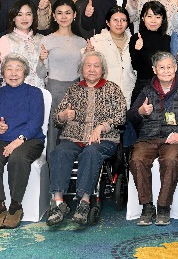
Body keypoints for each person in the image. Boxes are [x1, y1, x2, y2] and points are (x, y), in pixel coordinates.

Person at [47, 51, 127, 226]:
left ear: (102, 69)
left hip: (104, 139)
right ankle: (58, 203)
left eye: (96, 66)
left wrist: (102, 126)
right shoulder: (73, 90)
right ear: (81, 69)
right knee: (60, 152)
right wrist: (63, 116)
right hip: (74, 138)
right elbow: (56, 118)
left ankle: (84, 203)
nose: (92, 69)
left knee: (91, 152)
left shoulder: (112, 89)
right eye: (88, 66)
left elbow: (121, 116)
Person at [127, 51, 178, 228]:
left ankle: (164, 207)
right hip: (148, 138)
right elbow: (131, 116)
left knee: (171, 160)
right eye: (162, 67)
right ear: (154, 70)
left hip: (174, 138)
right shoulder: (146, 90)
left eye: (169, 67)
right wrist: (141, 112)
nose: (166, 71)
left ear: (175, 68)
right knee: (137, 160)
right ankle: (147, 206)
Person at [0, 54, 47, 229]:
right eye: (9, 69)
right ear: (3, 72)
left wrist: (19, 140)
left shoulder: (34, 93)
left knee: (18, 158)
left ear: (25, 72)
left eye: (18, 69)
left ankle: (15, 206)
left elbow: (36, 121)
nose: (14, 73)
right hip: (0, 139)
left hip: (29, 140)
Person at [43, 0, 89, 154]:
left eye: (67, 13)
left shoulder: (82, 42)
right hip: (54, 90)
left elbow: (84, 74)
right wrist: (41, 60)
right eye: (59, 13)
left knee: (74, 135)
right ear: (54, 16)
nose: (63, 17)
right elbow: (41, 73)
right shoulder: (46, 40)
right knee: (53, 134)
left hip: (76, 91)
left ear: (74, 15)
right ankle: (51, 168)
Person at [0, 0, 48, 89]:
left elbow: (46, 73)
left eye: (28, 14)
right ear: (13, 18)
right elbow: (1, 74)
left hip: (38, 90)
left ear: (33, 17)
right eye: (19, 15)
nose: (24, 18)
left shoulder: (42, 39)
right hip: (14, 91)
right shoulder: (5, 40)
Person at [86, 6, 136, 103]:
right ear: (107, 22)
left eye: (123, 20)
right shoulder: (97, 42)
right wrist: (87, 53)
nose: (119, 23)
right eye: (115, 20)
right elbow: (86, 70)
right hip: (104, 96)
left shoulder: (134, 41)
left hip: (129, 94)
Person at [127, 0, 171, 96]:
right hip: (143, 88)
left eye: (157, 17)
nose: (153, 21)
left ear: (163, 19)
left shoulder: (168, 39)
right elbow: (135, 67)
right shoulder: (136, 38)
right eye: (149, 16)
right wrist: (138, 51)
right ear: (143, 18)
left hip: (164, 87)